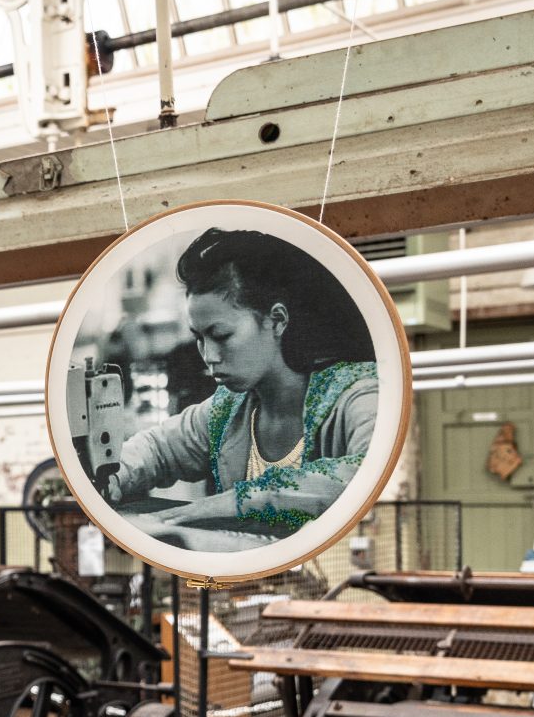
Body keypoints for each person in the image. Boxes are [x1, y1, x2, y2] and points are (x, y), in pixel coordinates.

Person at [99, 227, 379, 537]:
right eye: (199, 338)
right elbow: (157, 448)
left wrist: (233, 502)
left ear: (277, 320)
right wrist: (110, 478)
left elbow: (364, 474)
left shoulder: (358, 394)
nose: (209, 355)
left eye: (221, 336)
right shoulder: (225, 411)